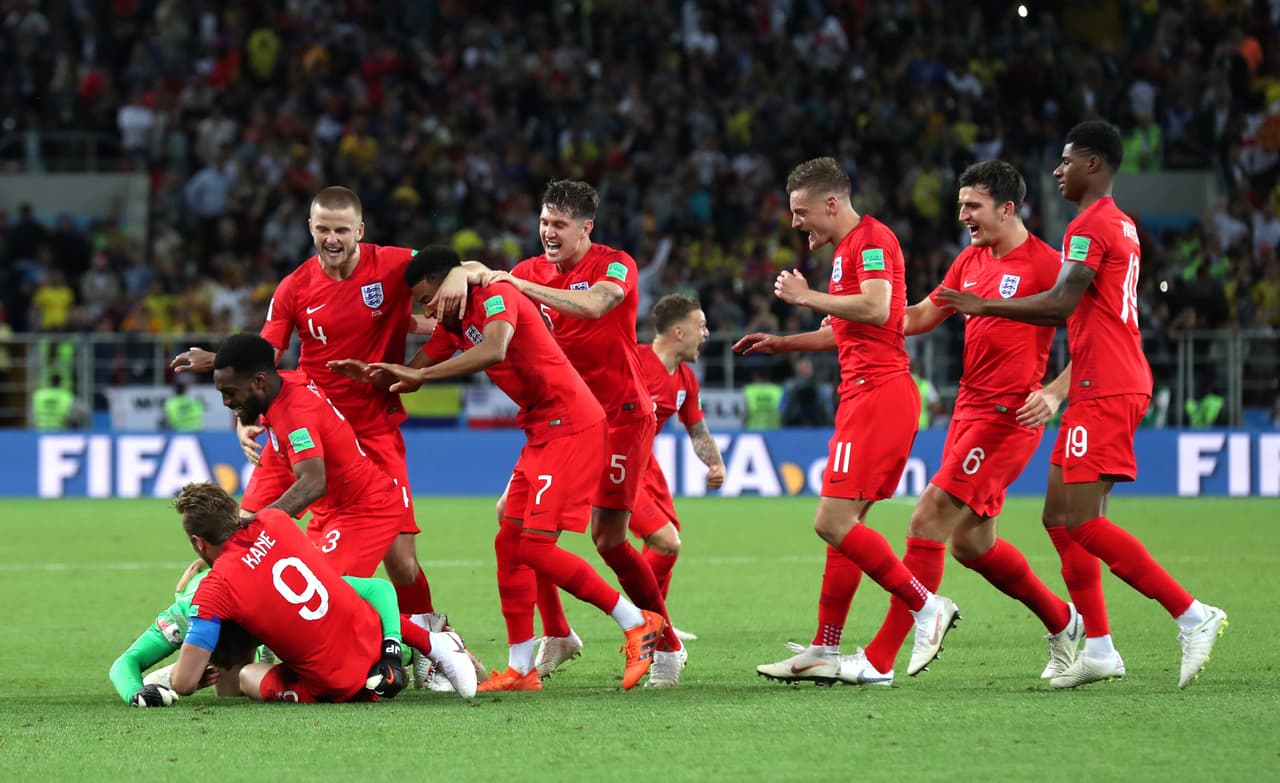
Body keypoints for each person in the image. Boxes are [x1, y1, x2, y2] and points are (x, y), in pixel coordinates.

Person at [937, 121, 1227, 689]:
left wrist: (984, 304)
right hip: (1100, 381)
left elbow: (1060, 302)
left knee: (1082, 523)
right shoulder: (1119, 222)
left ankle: (1192, 614)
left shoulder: (1090, 225)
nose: (1058, 171)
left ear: (1093, 165)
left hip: (1108, 384)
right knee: (1058, 518)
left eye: (1066, 161)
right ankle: (1098, 647)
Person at [333, 245, 665, 692]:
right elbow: (410, 372)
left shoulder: (496, 293)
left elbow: (494, 349)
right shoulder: (454, 325)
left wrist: (423, 377)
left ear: (451, 282)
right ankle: (521, 668)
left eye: (429, 297)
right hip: (541, 430)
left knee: (537, 548)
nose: (427, 308)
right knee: (509, 542)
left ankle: (634, 620)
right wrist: (377, 374)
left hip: (573, 424)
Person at [171, 186, 445, 670]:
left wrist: (466, 281)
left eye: (342, 230)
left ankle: (432, 646)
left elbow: (451, 270)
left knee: (401, 563)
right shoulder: (294, 287)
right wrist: (242, 416)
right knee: (235, 539)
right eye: (323, 229)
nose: (332, 239)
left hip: (373, 430)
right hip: (304, 430)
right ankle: (228, 646)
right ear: (310, 229)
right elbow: (263, 362)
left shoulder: (396, 265)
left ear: (360, 230)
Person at [837, 160, 1080, 687]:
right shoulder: (969, 260)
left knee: (927, 520)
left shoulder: (1047, 265)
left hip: (1009, 416)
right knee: (973, 544)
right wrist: (856, 312)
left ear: (1007, 208)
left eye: (973, 205)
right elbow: (920, 315)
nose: (963, 214)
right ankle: (1064, 621)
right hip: (968, 411)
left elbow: (1098, 339)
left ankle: (879, 660)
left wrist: (1055, 392)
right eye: (961, 204)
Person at [433, 180, 682, 682]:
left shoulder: (616, 264)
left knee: (609, 540)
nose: (549, 233)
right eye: (544, 222)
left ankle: (667, 642)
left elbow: (593, 305)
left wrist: (518, 285)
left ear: (586, 228)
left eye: (560, 225)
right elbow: (485, 291)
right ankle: (559, 633)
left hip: (620, 414)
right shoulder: (526, 269)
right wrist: (462, 275)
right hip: (562, 420)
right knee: (515, 520)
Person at [732, 156, 960, 684]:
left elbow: (880, 309)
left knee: (830, 522)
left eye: (801, 211)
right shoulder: (847, 252)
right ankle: (824, 650)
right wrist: (783, 343)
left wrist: (805, 297)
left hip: (879, 396)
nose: (795, 223)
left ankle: (926, 606)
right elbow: (846, 329)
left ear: (831, 204)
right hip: (864, 395)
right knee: (846, 528)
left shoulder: (873, 240)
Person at [211, 333, 478, 697]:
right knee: (301, 596)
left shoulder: (294, 415)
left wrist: (252, 529)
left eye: (230, 393)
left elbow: (313, 481)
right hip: (331, 513)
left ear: (258, 382)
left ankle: (436, 644)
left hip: (364, 510)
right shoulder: (283, 385)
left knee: (329, 600)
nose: (227, 402)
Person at [167, 482, 425, 704]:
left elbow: (184, 684)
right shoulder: (275, 520)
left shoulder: (216, 588)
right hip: (372, 642)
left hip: (336, 684)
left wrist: (181, 674)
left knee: (244, 677)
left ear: (199, 543)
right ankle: (418, 649)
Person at [627, 294, 726, 659]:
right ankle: (651, 625)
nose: (707, 333)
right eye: (701, 326)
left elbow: (698, 431)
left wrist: (714, 463)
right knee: (666, 542)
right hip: (615, 460)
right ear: (679, 332)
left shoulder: (685, 378)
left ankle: (655, 619)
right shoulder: (633, 359)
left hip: (645, 465)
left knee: (668, 542)